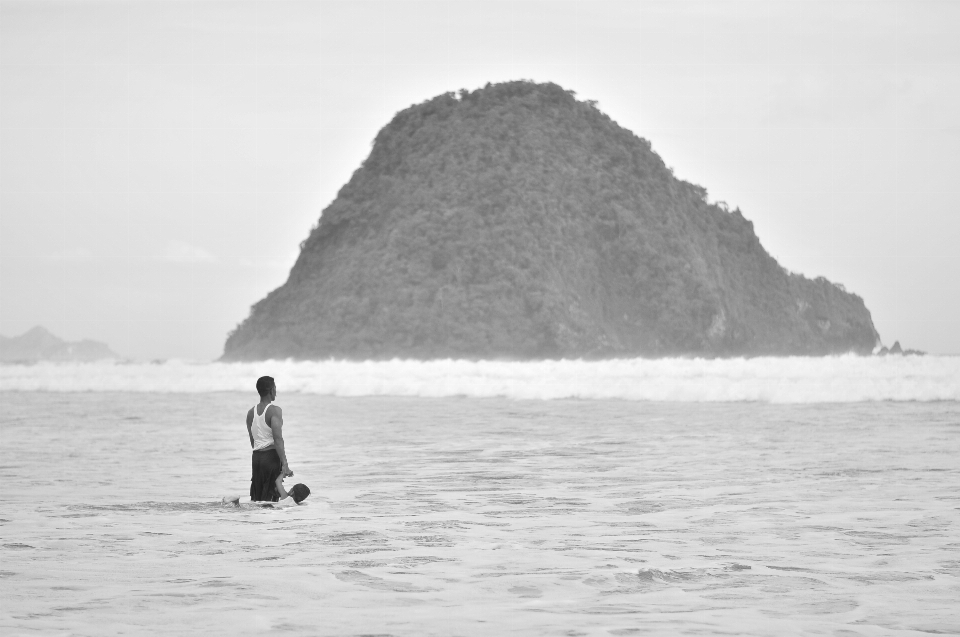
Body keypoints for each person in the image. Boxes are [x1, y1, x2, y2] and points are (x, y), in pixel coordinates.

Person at [247, 376, 293, 501]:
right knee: (271, 501)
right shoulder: (274, 411)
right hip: (270, 458)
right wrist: (285, 464)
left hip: (256, 459)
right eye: (275, 388)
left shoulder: (251, 413)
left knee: (257, 499)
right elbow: (278, 439)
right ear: (271, 390)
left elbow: (253, 441)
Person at [222, 474, 310, 508]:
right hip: (273, 509)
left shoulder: (286, 497)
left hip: (269, 507)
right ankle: (234, 502)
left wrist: (284, 472)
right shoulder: (296, 505)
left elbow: (278, 481)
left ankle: (234, 501)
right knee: (243, 508)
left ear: (292, 492)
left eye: (291, 489)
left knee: (244, 508)